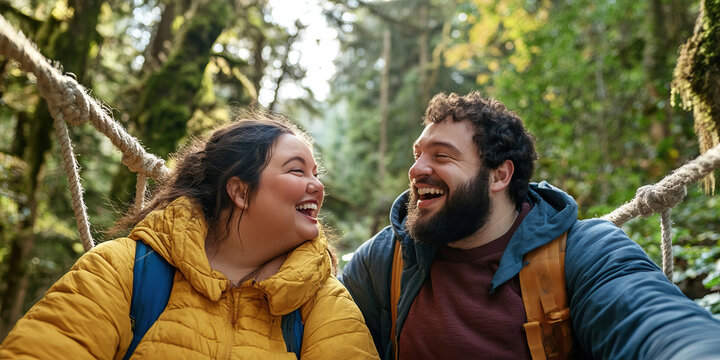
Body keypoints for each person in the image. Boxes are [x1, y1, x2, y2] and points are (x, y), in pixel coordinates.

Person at [340, 91, 720, 360]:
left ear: (498, 176)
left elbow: (653, 323)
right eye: (418, 154)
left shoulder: (584, 253)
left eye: (442, 156)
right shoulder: (385, 260)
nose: (417, 169)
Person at [0, 113, 379, 359]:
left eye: (317, 174)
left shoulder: (322, 303)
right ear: (240, 191)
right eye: (297, 171)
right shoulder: (124, 270)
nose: (318, 186)